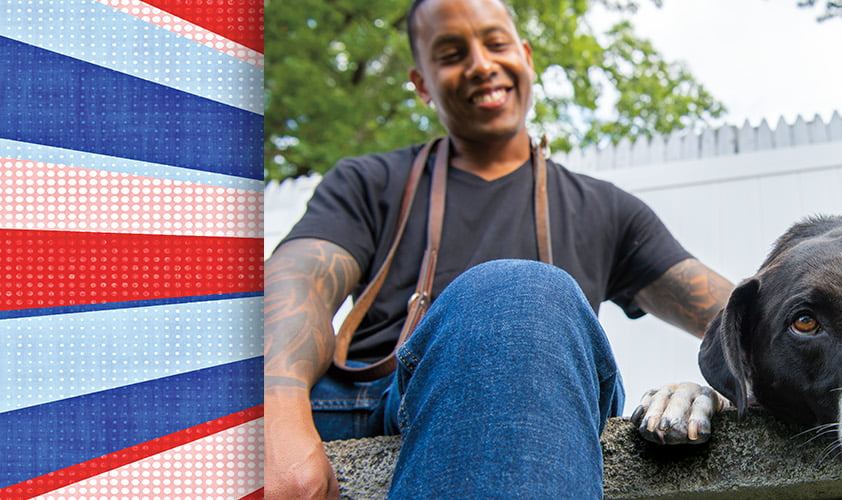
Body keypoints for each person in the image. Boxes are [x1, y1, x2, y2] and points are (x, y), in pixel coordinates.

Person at [263, 0, 733, 497]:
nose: (481, 64)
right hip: (362, 406)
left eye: (496, 43)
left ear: (526, 57)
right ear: (421, 83)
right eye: (450, 53)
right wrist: (274, 414)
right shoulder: (367, 181)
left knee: (524, 296)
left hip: (543, 418)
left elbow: (750, 317)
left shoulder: (609, 210)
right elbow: (295, 288)